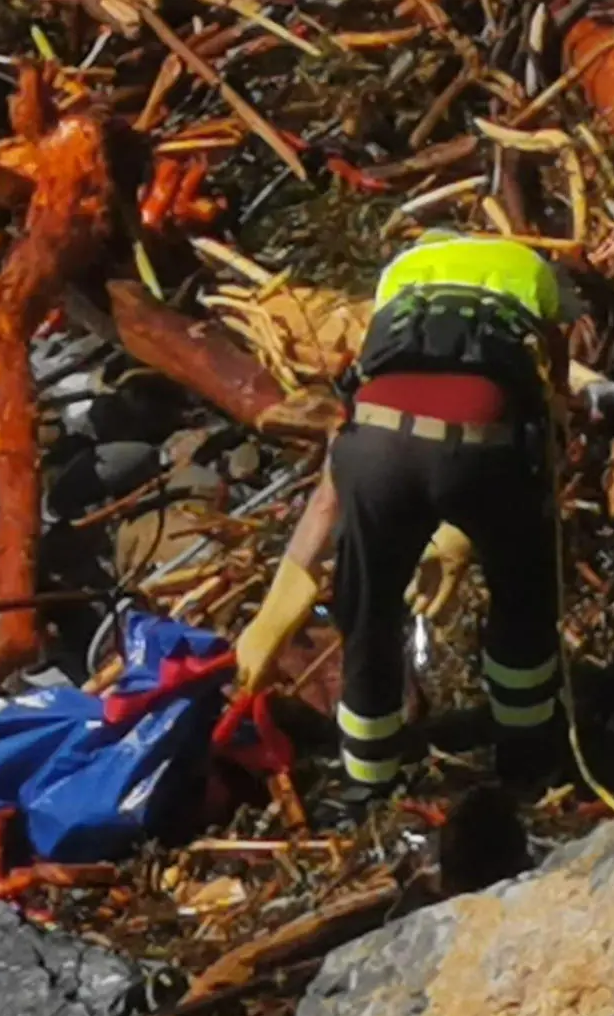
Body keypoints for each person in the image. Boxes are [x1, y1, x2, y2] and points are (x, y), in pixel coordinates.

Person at [233, 231, 584, 801]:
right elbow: (550, 410)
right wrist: (472, 525)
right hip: (484, 445)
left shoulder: (400, 281)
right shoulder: (530, 275)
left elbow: (328, 496)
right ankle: (528, 761)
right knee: (523, 600)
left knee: (367, 618)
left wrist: (274, 615)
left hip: (374, 449)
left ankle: (369, 783)